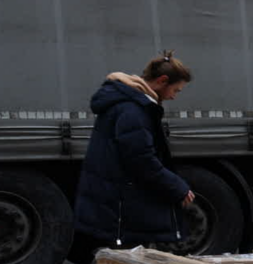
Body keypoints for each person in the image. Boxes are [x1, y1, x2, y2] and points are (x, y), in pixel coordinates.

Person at [74, 52, 196, 251]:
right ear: (162, 81)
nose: (174, 96)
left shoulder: (125, 103)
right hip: (121, 207)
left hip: (114, 203)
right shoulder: (134, 110)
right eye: (176, 90)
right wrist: (177, 187)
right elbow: (141, 160)